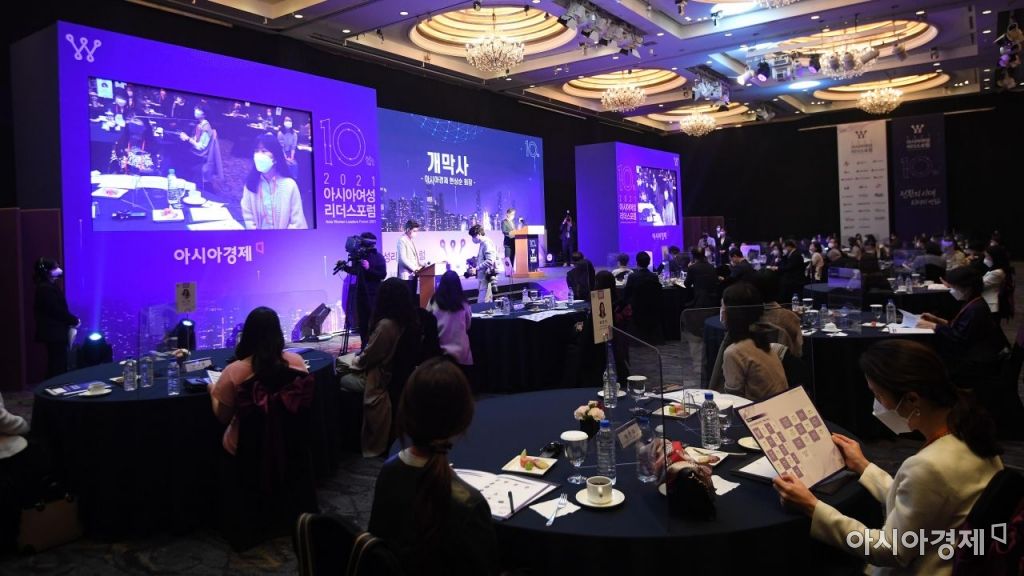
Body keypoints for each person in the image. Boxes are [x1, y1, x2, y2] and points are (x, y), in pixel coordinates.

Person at [774, 340, 1003, 576]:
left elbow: (890, 551)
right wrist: (864, 467)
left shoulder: (929, 464)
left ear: (912, 399)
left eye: (878, 395)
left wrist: (813, 508)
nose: (877, 405)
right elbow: (920, 501)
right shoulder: (971, 430)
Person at [368, 358, 497, 576]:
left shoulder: (389, 471)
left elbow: (378, 551)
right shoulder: (469, 504)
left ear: (406, 411)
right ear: (464, 419)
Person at [208, 307, 309, 456]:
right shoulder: (298, 362)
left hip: (245, 449)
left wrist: (212, 391)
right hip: (289, 443)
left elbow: (223, 417)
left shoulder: (232, 372)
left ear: (247, 335)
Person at [341, 279, 421, 456]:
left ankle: (346, 440)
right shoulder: (408, 320)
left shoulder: (386, 325)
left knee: (340, 378)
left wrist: (353, 361)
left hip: (379, 378)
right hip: (397, 375)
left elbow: (368, 358)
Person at [917, 267, 1010, 389]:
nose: (951, 291)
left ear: (967, 288)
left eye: (954, 287)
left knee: (929, 359)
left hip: (975, 362)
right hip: (976, 354)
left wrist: (935, 326)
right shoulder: (974, 302)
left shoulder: (975, 308)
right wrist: (937, 320)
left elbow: (958, 337)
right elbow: (961, 326)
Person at [719, 282, 788, 401]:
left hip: (761, 410)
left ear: (730, 314)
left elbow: (734, 400)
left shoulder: (734, 352)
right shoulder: (760, 342)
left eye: (723, 307)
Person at [240, 133, 307, 230]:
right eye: (256, 151)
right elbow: (248, 216)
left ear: (275, 156)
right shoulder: (251, 184)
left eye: (264, 151)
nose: (259, 155)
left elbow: (297, 222)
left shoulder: (289, 185)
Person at [33, 258, 79, 378]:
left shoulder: (50, 286)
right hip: (53, 332)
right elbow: (56, 310)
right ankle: (55, 386)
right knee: (57, 363)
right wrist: (73, 320)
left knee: (58, 361)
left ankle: (57, 385)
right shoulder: (45, 289)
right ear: (46, 271)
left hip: (56, 331)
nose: (59, 270)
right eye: (55, 268)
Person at [342, 232, 388, 349]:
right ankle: (364, 346)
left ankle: (376, 347)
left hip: (374, 295)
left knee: (374, 321)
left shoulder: (378, 257)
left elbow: (382, 275)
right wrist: (345, 267)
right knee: (362, 322)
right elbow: (356, 271)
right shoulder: (359, 257)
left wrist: (368, 268)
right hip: (360, 293)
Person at [427, 271, 473, 378]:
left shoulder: (433, 301)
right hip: (462, 354)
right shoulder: (464, 303)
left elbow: (428, 323)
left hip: (439, 352)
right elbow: (468, 326)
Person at [752, 272, 803, 357]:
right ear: (778, 289)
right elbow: (798, 351)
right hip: (784, 363)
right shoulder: (791, 318)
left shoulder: (746, 317)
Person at [179, 104, 222, 192]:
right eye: (196, 108)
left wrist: (188, 139)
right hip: (195, 152)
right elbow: (196, 140)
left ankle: (187, 185)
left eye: (198, 109)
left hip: (199, 155)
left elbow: (201, 147)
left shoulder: (206, 127)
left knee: (177, 157)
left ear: (204, 114)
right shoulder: (200, 124)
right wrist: (187, 138)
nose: (195, 110)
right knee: (179, 152)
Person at [467, 225, 497, 303]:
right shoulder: (482, 243)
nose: (473, 238)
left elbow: (490, 260)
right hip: (483, 278)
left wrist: (477, 268)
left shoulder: (486, 243)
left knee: (482, 304)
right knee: (485, 304)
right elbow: (484, 259)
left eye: (474, 236)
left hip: (486, 278)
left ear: (479, 234)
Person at [397, 219, 423, 301]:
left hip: (413, 275)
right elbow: (403, 259)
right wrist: (415, 268)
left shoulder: (410, 240)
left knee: (412, 299)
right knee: (407, 299)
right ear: (408, 229)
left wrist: (421, 265)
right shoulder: (402, 240)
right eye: (414, 231)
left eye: (417, 231)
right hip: (406, 276)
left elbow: (414, 258)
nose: (416, 233)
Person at [981, 245, 1011, 315]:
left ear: (995, 257)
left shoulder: (997, 272)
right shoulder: (994, 269)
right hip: (986, 301)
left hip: (990, 304)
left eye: (987, 257)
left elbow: (981, 284)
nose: (985, 259)